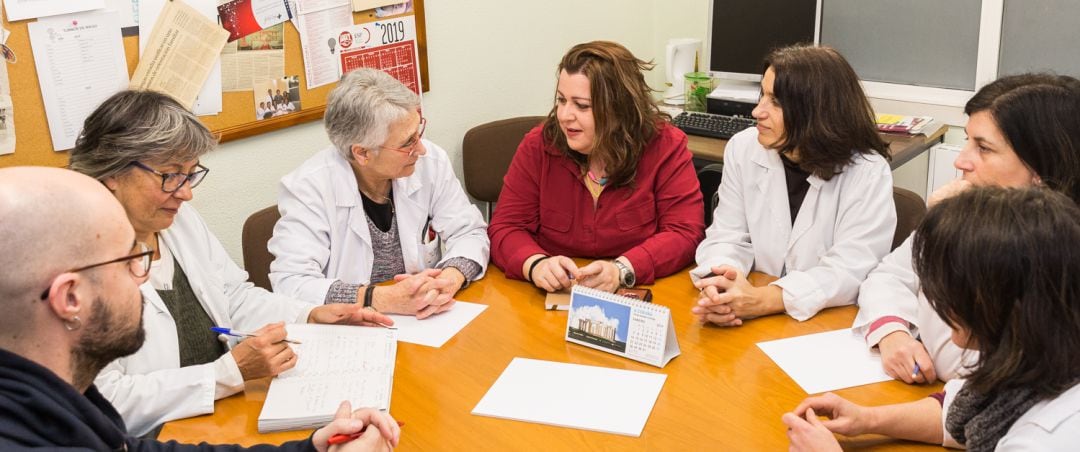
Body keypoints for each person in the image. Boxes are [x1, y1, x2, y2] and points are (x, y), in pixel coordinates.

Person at [67, 90, 396, 437]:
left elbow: (233, 297)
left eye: (191, 174)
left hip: (220, 417)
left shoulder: (178, 222)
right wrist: (228, 373)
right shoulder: (76, 267)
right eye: (170, 175)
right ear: (113, 172)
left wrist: (309, 315)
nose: (186, 192)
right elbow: (105, 400)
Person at [0, 166, 400, 451]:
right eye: (129, 262)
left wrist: (311, 448)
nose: (143, 276)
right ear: (70, 299)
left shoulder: (59, 401)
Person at [783, 187, 1080, 451]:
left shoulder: (1043, 439)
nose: (935, 300)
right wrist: (866, 418)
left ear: (990, 300)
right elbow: (957, 415)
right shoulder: (1038, 362)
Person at [853, 73, 1080, 384]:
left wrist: (949, 228)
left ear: (1039, 168)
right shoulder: (967, 205)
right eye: (967, 142)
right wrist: (892, 332)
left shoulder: (1060, 257)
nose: (961, 161)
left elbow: (987, 375)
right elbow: (889, 276)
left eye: (983, 148)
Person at [691, 44, 895, 325]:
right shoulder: (743, 148)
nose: (756, 112)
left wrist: (762, 300)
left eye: (776, 102)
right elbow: (726, 235)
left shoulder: (867, 172)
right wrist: (723, 283)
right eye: (763, 95)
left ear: (816, 112)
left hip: (821, 324)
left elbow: (850, 269)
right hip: (750, 319)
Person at [488, 40, 704, 293]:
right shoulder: (538, 147)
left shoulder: (665, 146)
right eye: (561, 100)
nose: (565, 115)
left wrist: (621, 270)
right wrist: (537, 264)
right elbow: (506, 227)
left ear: (619, 109)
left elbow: (685, 232)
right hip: (551, 298)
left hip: (636, 294)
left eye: (582, 106)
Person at [270, 68, 488, 317]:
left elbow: (468, 231)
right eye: (407, 142)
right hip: (351, 330)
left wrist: (451, 276)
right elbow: (291, 283)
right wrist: (378, 298)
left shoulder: (429, 162)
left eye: (419, 132)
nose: (421, 149)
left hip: (425, 320)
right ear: (362, 153)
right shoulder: (308, 189)